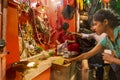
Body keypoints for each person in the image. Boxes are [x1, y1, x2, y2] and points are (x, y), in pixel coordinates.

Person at [64, 9, 120, 80]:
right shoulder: (106, 40)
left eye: (96, 24)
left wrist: (112, 59)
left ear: (105, 22)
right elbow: (87, 54)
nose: (94, 28)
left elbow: (113, 59)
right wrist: (71, 60)